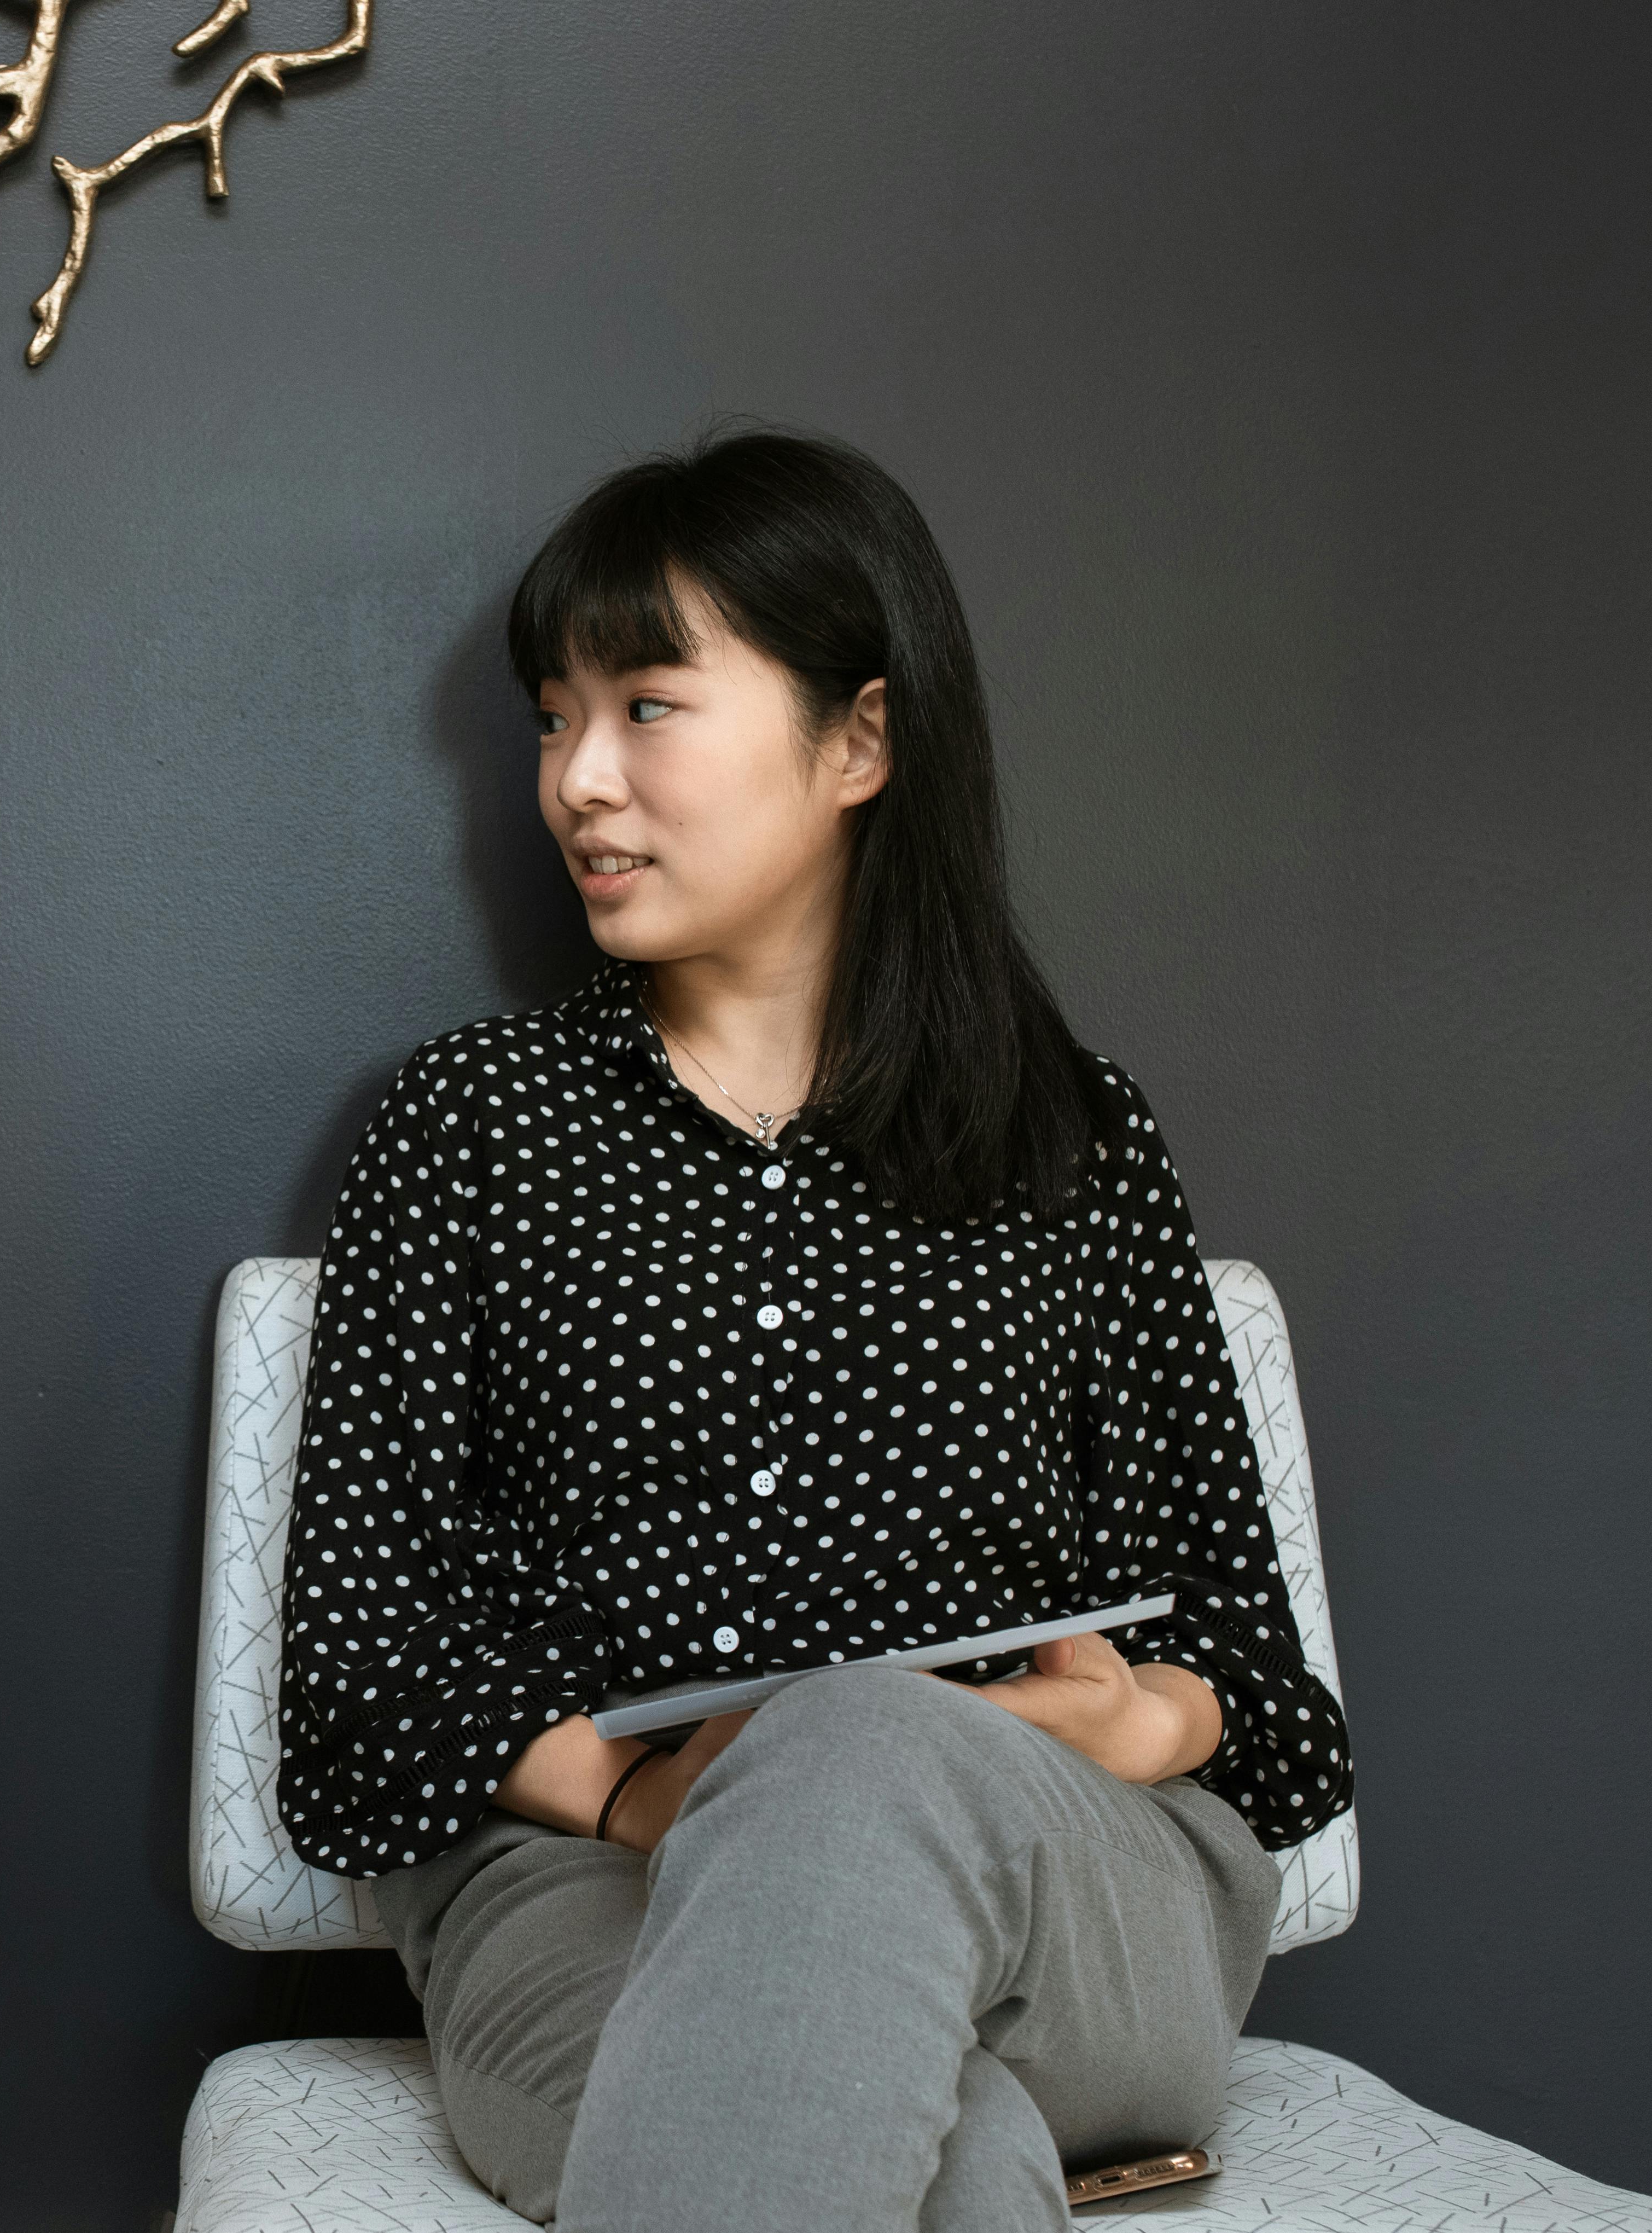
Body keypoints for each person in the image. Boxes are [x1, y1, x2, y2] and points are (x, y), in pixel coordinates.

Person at [278, 431, 1352, 2231]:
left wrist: (1115, 1732)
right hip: (584, 1896)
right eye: (552, 717)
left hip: (1074, 1899)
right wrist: (644, 1796)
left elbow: (1268, 1689)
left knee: (858, 1742)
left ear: (858, 738)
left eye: (647, 706)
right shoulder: (461, 1132)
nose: (575, 780)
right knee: (947, 2161)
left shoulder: (1076, 1138)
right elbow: (356, 1696)